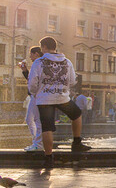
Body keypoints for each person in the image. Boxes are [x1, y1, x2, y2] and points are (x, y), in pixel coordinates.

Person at [28, 36, 91, 169]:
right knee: (77, 114)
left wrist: (36, 93)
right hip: (62, 97)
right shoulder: (66, 61)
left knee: (47, 127)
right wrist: (62, 88)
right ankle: (76, 142)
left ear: (44, 47)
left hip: (44, 99)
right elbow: (73, 80)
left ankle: (49, 157)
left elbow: (32, 83)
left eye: (41, 48)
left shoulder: (39, 62)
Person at [20, 46, 44, 151]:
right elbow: (31, 79)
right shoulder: (38, 63)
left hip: (37, 95)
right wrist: (25, 71)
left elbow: (34, 81)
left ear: (36, 54)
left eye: (31, 54)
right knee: (30, 119)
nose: (30, 56)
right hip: (35, 95)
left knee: (36, 120)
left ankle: (38, 144)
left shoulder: (38, 63)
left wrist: (34, 92)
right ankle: (36, 142)